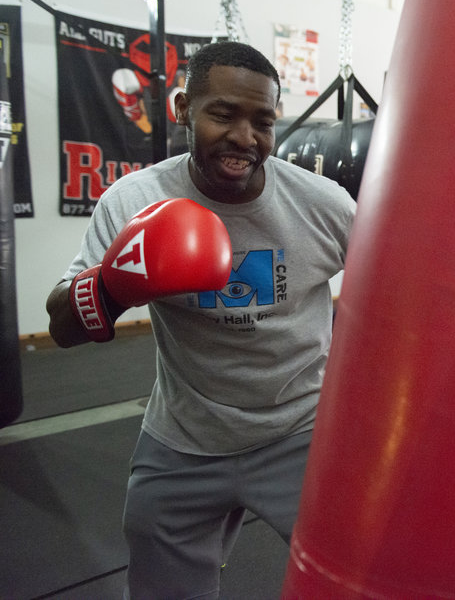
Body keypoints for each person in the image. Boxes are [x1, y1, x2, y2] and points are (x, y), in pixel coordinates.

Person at [45, 41, 356, 598]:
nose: (245, 138)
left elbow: (403, 301)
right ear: (182, 108)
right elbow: (63, 329)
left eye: (263, 122)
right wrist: (117, 282)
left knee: (356, 578)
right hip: (184, 438)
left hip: (300, 434)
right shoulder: (135, 201)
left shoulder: (324, 206)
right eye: (223, 113)